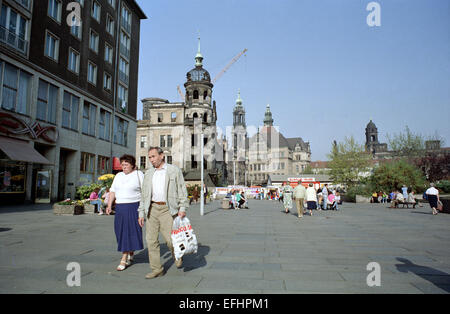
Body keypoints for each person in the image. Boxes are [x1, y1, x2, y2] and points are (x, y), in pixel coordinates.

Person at [137, 147, 189, 279]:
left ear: (161, 156)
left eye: (153, 156)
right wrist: (141, 213)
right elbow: (144, 195)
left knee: (171, 240)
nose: (151, 160)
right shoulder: (148, 173)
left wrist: (182, 208)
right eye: (149, 157)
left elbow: (182, 190)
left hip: (167, 209)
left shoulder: (173, 170)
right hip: (152, 209)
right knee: (151, 241)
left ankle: (177, 254)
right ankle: (157, 269)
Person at [106, 154, 144, 271]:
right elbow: (112, 191)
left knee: (129, 231)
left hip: (133, 206)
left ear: (132, 165)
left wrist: (143, 211)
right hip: (120, 207)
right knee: (120, 231)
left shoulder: (139, 174)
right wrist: (109, 205)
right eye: (122, 164)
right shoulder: (118, 175)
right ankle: (130, 251)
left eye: (126, 164)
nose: (124, 167)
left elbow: (145, 192)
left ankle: (124, 258)